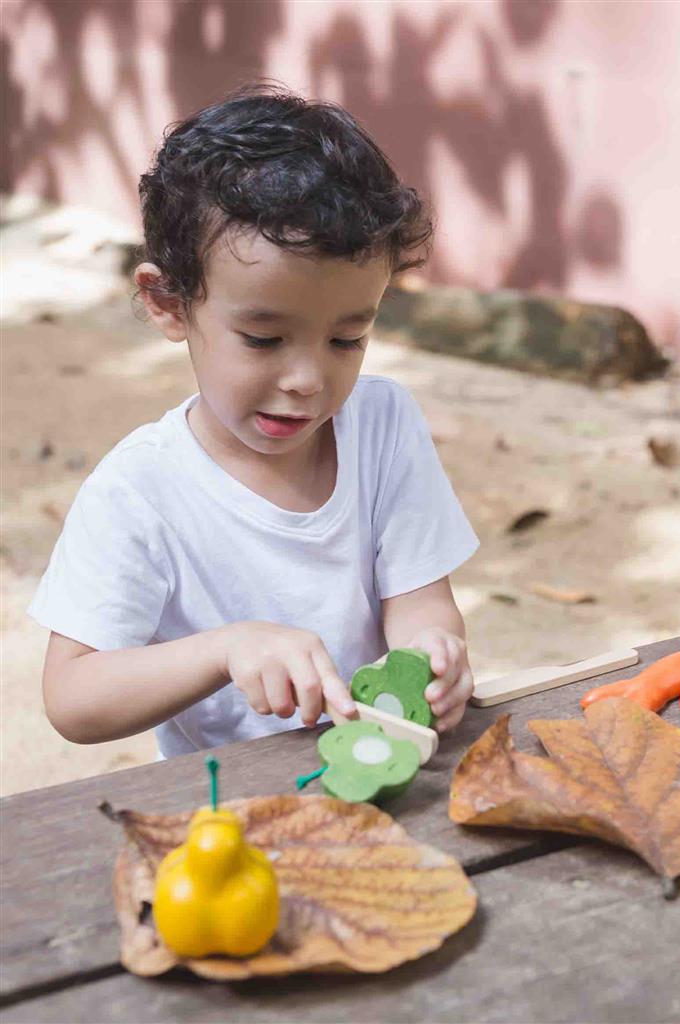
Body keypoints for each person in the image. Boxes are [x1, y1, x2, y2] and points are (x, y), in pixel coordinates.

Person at [28, 87, 480, 758]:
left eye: (347, 339)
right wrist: (223, 650)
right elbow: (73, 698)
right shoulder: (139, 491)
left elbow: (419, 603)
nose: (308, 380)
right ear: (168, 303)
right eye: (264, 340)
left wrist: (433, 655)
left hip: (390, 777)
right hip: (229, 809)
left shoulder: (381, 424)